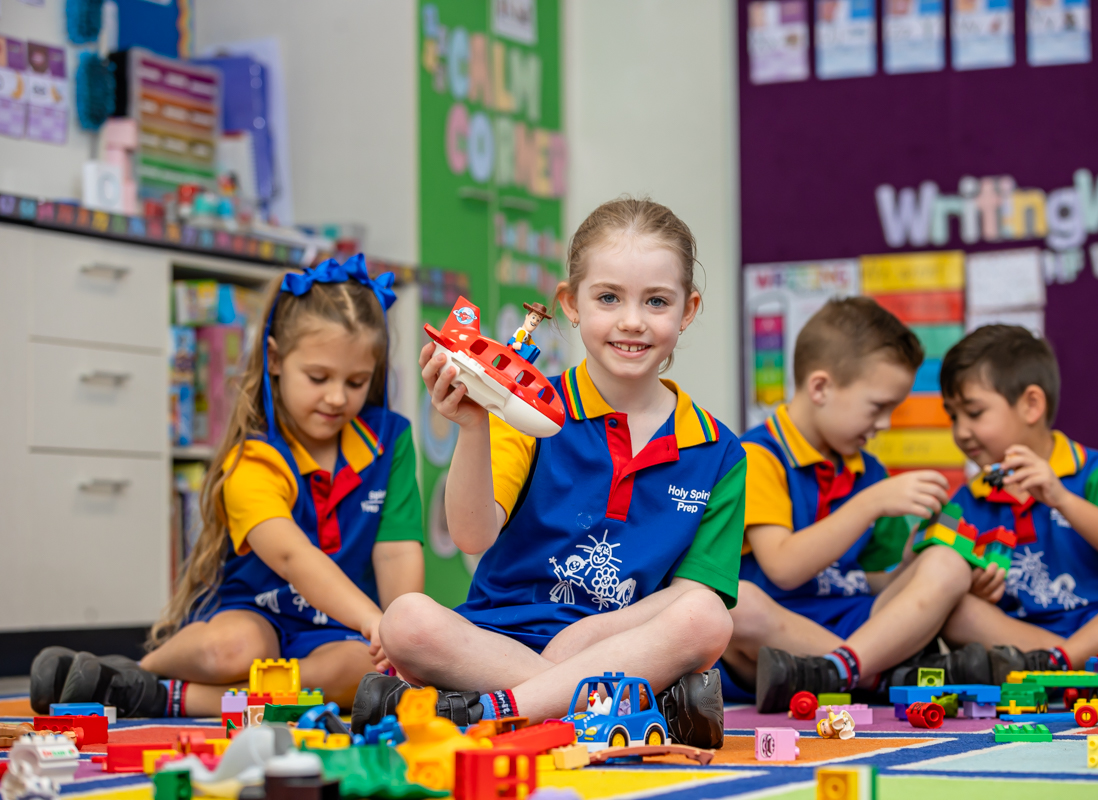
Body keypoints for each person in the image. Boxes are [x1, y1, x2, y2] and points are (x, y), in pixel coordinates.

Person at [352, 198, 745, 748]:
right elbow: (472, 535)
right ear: (571, 304)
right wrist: (472, 428)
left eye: (656, 301)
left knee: (711, 619)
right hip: (496, 641)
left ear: (688, 310)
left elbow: (694, 595)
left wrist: (590, 632)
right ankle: (624, 707)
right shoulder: (527, 411)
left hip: (618, 644)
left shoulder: (721, 451)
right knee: (406, 620)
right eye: (608, 297)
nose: (631, 320)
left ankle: (485, 711)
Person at [29, 256, 426, 718]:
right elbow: (293, 558)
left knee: (357, 672)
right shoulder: (254, 458)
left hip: (341, 631)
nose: (337, 397)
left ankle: (154, 694)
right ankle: (135, 671)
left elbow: (396, 550)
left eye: (356, 382)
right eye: (318, 378)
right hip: (258, 613)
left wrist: (399, 635)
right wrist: (372, 619)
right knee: (230, 651)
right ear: (275, 359)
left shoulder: (389, 439)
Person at [723, 297, 1007, 714]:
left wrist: (918, 557)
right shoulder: (757, 457)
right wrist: (869, 504)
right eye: (878, 407)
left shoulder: (869, 471)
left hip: (855, 629)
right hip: (776, 635)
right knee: (735, 604)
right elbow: (783, 569)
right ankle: (880, 675)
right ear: (820, 388)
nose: (885, 424)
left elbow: (882, 586)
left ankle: (844, 672)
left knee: (948, 565)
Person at [938, 325, 1098, 673]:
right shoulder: (969, 498)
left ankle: (1065, 662)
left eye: (973, 413)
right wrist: (974, 587)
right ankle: (1066, 663)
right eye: (952, 416)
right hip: (1030, 640)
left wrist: (1061, 498)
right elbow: (938, 574)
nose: (960, 431)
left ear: (1032, 405)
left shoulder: (1097, 472)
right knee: (947, 604)